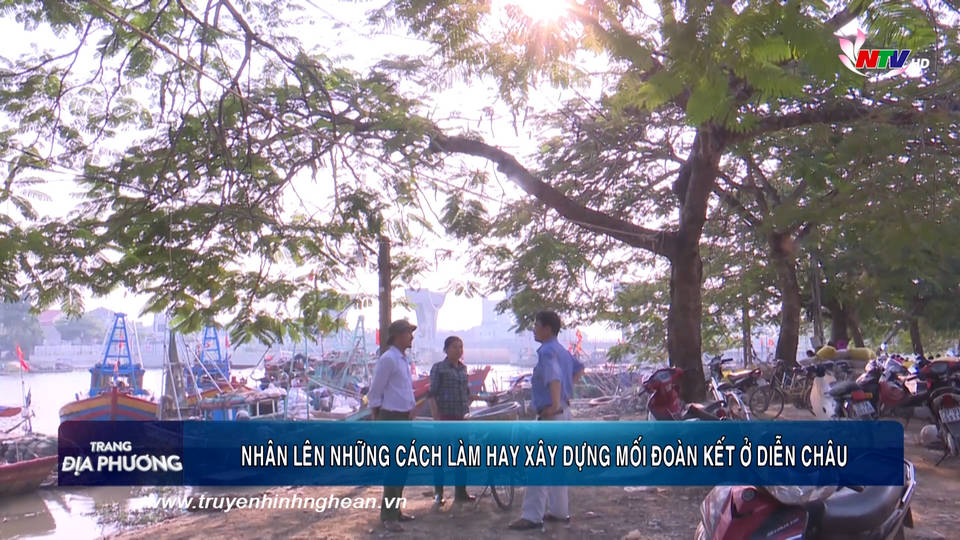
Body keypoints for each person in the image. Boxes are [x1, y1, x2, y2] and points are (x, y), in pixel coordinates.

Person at [509, 311, 585, 531]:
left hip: (552, 414)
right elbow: (579, 369)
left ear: (547, 328)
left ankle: (532, 516)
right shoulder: (561, 350)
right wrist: (565, 393)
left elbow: (553, 377)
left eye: (536, 325)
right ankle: (560, 511)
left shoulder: (547, 351)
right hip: (563, 413)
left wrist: (554, 402)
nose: (533, 329)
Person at [367, 319, 419, 532]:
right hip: (391, 417)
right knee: (394, 468)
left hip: (404, 418)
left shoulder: (402, 359)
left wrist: (411, 407)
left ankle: (395, 510)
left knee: (402, 467)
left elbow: (403, 388)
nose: (411, 336)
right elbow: (375, 391)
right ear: (397, 335)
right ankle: (388, 516)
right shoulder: (388, 359)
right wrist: (378, 415)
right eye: (408, 332)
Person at [428, 336, 475, 506]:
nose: (458, 350)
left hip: (462, 418)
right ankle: (438, 493)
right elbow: (431, 394)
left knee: (461, 457)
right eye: (455, 347)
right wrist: (436, 417)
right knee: (440, 457)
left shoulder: (463, 369)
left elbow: (467, 394)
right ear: (446, 349)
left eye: (461, 347)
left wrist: (486, 399)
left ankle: (461, 492)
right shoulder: (439, 368)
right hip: (444, 418)